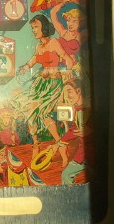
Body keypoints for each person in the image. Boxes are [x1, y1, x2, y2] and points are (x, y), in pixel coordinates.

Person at [12, 14, 75, 149]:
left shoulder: (54, 43)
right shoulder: (39, 47)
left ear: (44, 27)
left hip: (53, 84)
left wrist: (68, 72)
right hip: (40, 83)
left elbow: (67, 58)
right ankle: (35, 141)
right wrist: (26, 67)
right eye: (32, 28)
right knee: (30, 107)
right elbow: (34, 59)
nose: (34, 30)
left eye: (36, 27)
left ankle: (58, 140)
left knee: (43, 111)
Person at [50, 3, 87, 67]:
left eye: (74, 21)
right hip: (57, 64)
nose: (70, 24)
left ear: (80, 23)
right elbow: (53, 13)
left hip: (72, 65)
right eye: (68, 20)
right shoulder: (62, 32)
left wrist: (77, 0)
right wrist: (62, 3)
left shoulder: (81, 35)